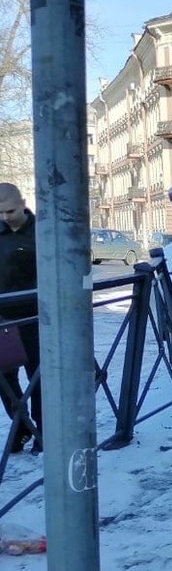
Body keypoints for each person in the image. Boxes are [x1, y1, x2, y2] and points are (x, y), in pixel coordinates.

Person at [0, 183, 41, 453]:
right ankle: (22, 425)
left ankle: (44, 432)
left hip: (34, 316)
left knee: (38, 377)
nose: (6, 217)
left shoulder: (42, 232)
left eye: (10, 211)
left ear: (23, 203)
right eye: (0, 213)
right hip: (3, 318)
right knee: (4, 376)